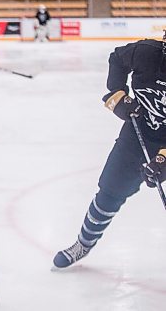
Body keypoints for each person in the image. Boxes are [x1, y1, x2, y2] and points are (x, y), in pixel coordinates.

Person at [53, 30, 166, 269]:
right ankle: (84, 243)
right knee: (110, 191)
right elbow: (117, 58)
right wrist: (118, 98)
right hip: (138, 134)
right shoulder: (146, 52)